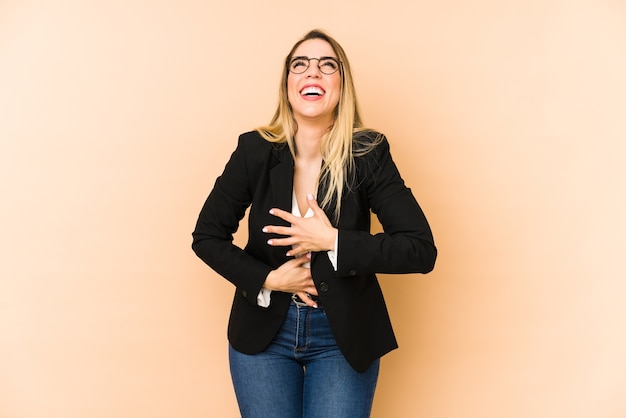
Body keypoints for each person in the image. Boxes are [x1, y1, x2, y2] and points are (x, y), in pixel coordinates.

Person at [192, 29, 436, 418]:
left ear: (342, 84)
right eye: (300, 65)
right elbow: (206, 237)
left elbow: (420, 249)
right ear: (287, 83)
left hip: (342, 334)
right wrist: (269, 280)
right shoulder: (253, 150)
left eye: (328, 66)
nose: (313, 73)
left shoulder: (368, 153)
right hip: (263, 331)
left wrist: (332, 240)